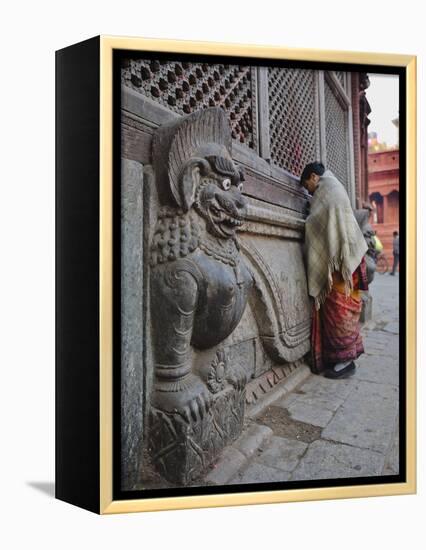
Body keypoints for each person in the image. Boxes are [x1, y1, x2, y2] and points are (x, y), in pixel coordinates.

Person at [300, 162, 369, 379]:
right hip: (350, 260)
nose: (308, 191)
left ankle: (344, 361)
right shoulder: (335, 186)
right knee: (346, 311)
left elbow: (316, 223)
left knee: (339, 312)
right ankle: (346, 358)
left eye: (306, 185)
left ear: (313, 177)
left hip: (341, 265)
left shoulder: (326, 190)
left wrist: (308, 217)